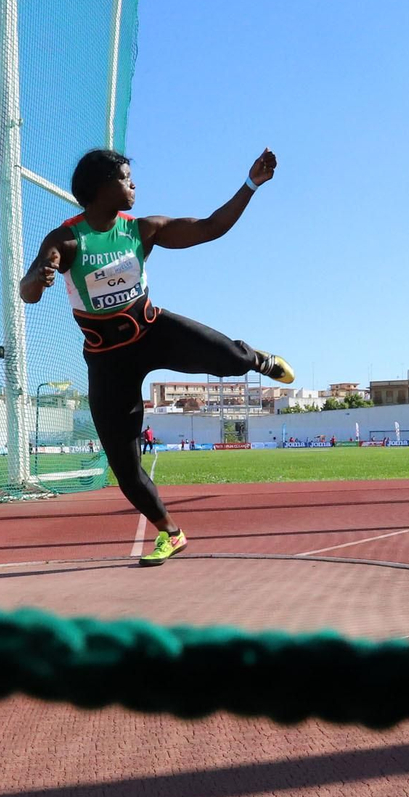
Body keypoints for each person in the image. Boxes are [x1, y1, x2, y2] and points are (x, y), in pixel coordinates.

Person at [20, 147, 294, 566]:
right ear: (100, 187)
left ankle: (258, 359)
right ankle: (170, 531)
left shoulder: (143, 229)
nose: (134, 185)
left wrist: (251, 184)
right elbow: (28, 291)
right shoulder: (66, 240)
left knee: (230, 360)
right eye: (126, 178)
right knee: (125, 468)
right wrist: (40, 277)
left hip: (153, 332)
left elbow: (210, 227)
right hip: (108, 362)